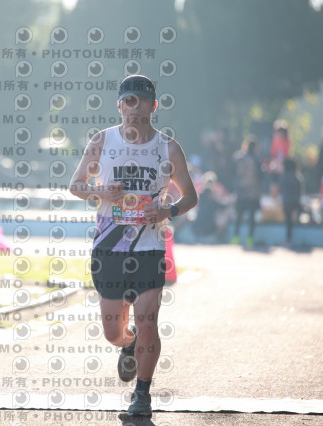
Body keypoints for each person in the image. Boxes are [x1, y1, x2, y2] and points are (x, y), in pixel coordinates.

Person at [69, 75, 197, 417]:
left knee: (148, 321)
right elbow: (76, 185)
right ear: (119, 105)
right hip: (109, 248)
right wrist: (100, 192)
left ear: (153, 107)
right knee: (113, 332)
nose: (134, 107)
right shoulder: (102, 141)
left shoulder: (168, 148)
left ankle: (142, 396)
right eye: (129, 101)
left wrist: (168, 211)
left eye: (141, 102)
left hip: (149, 249)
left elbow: (190, 196)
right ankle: (128, 345)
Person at [231, 135, 263, 247]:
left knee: (239, 216)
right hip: (253, 193)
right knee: (252, 217)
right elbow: (261, 176)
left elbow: (234, 173)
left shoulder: (239, 159)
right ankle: (250, 239)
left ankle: (235, 237)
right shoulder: (256, 160)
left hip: (241, 192)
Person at [279, 157, 303, 245]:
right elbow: (300, 191)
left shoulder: (284, 177)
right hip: (296, 202)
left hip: (287, 202)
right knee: (292, 220)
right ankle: (289, 239)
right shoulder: (297, 177)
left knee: (288, 221)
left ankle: (288, 239)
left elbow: (281, 190)